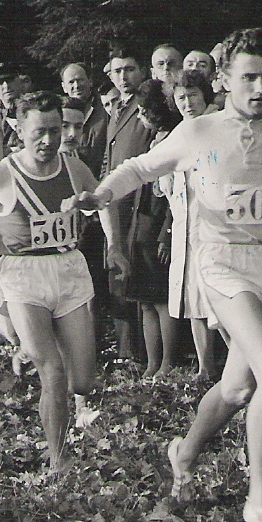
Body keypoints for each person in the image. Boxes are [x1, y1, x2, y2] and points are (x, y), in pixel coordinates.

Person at [70, 28, 262, 522]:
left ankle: (184, 451)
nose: (259, 89)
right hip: (224, 265)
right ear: (223, 80)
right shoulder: (199, 131)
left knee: (238, 387)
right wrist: (100, 194)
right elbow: (139, 167)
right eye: (247, 78)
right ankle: (260, 501)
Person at [0, 91, 126, 474]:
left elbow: (101, 201)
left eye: (56, 130)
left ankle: (17, 335)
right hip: (22, 275)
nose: (49, 140)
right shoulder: (1, 174)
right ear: (17, 129)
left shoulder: (73, 168)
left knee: (83, 382)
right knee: (52, 373)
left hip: (68, 269)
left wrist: (115, 246)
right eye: (39, 132)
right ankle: (58, 462)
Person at [160, 69, 223, 383]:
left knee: (219, 298)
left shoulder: (219, 127)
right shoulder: (178, 133)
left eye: (193, 95)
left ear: (205, 96)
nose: (187, 102)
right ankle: (205, 367)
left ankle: (246, 367)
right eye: (180, 97)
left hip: (214, 228)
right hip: (186, 228)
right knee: (192, 296)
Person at [122, 80, 184, 376]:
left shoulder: (174, 140)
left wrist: (167, 234)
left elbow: (176, 197)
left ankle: (168, 361)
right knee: (145, 301)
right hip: (142, 225)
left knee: (161, 299)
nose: (139, 116)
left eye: (142, 110)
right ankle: (151, 363)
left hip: (161, 225)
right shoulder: (154, 139)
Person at [102, 50, 154, 364]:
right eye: (118, 71)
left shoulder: (147, 103)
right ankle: (124, 354)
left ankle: (137, 355)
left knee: (137, 282)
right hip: (114, 204)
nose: (124, 77)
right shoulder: (117, 108)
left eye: (130, 69)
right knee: (117, 277)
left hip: (139, 201)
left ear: (142, 70)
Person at [60, 63, 109, 176]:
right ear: (64, 87)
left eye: (80, 80)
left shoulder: (105, 108)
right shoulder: (58, 113)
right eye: (71, 82)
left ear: (90, 81)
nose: (76, 86)